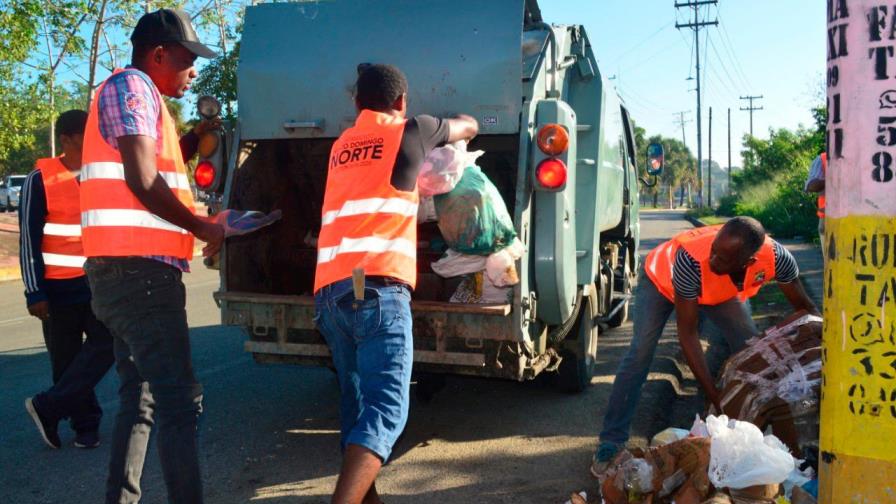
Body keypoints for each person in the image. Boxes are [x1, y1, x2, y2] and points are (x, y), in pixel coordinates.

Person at [314, 63, 478, 504]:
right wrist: (445, 128)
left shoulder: (340, 145)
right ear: (402, 102)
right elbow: (470, 126)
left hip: (330, 294)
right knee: (386, 411)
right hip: (376, 290)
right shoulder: (411, 130)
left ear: (355, 103)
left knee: (357, 408)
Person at [78, 8, 224, 504]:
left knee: (139, 400)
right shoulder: (133, 86)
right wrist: (204, 226)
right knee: (179, 404)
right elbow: (141, 179)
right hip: (138, 276)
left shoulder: (141, 97)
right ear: (158, 55)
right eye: (187, 60)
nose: (193, 71)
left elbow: (148, 170)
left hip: (123, 272)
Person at [591, 216, 818, 477]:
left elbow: (806, 310)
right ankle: (611, 440)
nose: (713, 259)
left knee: (753, 350)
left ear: (748, 262)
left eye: (722, 259)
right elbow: (687, 334)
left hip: (718, 292)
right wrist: (715, 397)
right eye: (714, 251)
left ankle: (760, 430)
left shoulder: (778, 258)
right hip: (661, 282)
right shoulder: (692, 260)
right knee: (641, 353)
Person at [21, 110, 115, 450]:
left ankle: (47, 406)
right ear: (67, 139)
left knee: (109, 343)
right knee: (66, 362)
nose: (94, 139)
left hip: (97, 283)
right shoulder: (39, 178)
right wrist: (34, 292)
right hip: (57, 289)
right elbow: (28, 240)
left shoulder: (99, 175)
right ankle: (85, 425)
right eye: (86, 134)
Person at [805, 152, 826, 259]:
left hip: (865, 218)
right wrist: (833, 178)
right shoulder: (823, 159)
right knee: (831, 264)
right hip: (828, 220)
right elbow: (810, 186)